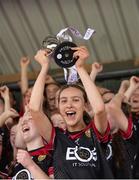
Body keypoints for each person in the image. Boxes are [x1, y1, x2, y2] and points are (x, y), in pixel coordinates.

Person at [28, 45, 115, 179]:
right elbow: (34, 109)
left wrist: (80, 67)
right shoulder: (56, 137)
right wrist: (44, 67)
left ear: (85, 105)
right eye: (63, 101)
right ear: (57, 106)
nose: (69, 105)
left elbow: (99, 109)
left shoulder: (95, 133)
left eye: (75, 100)